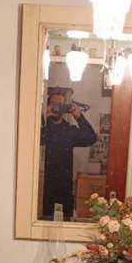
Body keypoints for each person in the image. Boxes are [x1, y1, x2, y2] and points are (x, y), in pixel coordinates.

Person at [41, 91, 97, 219]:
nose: (56, 107)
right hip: (43, 188)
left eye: (59, 105)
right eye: (53, 104)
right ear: (48, 105)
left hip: (64, 188)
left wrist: (79, 116)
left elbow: (91, 138)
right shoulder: (42, 129)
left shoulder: (69, 131)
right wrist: (46, 117)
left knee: (64, 222)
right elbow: (33, 139)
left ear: (64, 108)